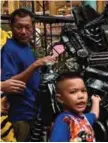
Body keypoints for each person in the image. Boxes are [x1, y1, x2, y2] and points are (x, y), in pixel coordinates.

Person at [1, 8, 56, 141]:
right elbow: (10, 83)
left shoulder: (26, 47)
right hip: (21, 115)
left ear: (33, 27)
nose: (23, 32)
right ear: (11, 27)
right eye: (19, 27)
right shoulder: (9, 49)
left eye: (27, 27)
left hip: (34, 111)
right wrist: (35, 65)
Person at [50, 72, 101, 142]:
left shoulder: (84, 119)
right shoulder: (65, 120)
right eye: (73, 92)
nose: (81, 96)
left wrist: (96, 101)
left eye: (83, 91)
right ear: (60, 99)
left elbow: (94, 115)